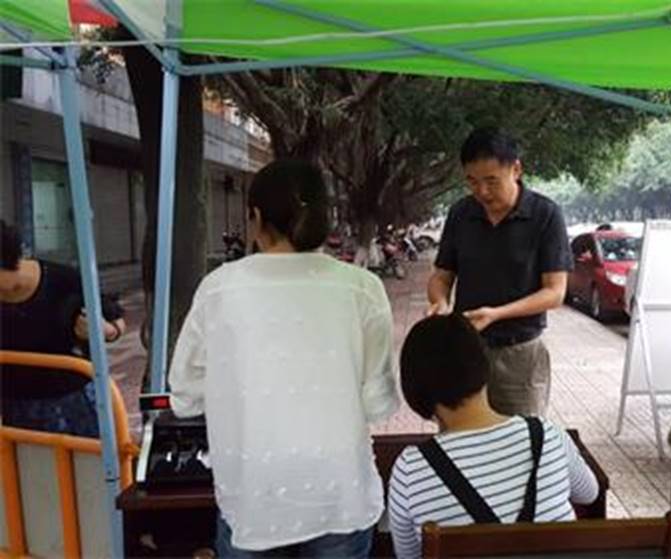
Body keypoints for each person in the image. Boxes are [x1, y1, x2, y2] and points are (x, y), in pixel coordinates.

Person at [168, 160, 400, 558]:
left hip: (254, 498)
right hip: (340, 493)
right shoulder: (363, 288)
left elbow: (184, 397)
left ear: (256, 217)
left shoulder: (218, 289)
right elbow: (378, 404)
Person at [388, 314, 599, 559]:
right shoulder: (546, 435)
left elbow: (409, 555)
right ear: (484, 366)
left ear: (415, 389)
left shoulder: (411, 469)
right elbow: (590, 493)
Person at [426, 127, 572, 416]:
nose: (482, 192)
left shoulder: (545, 215)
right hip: (466, 350)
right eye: (472, 182)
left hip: (519, 355)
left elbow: (555, 293)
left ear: (516, 169)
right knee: (461, 429)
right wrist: (439, 302)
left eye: (491, 181)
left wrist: (497, 314)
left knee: (521, 433)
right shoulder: (461, 213)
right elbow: (441, 276)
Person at [0, 219, 125, 437]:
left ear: (11, 261)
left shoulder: (64, 281)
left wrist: (103, 330)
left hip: (72, 403)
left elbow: (117, 322)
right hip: (14, 409)